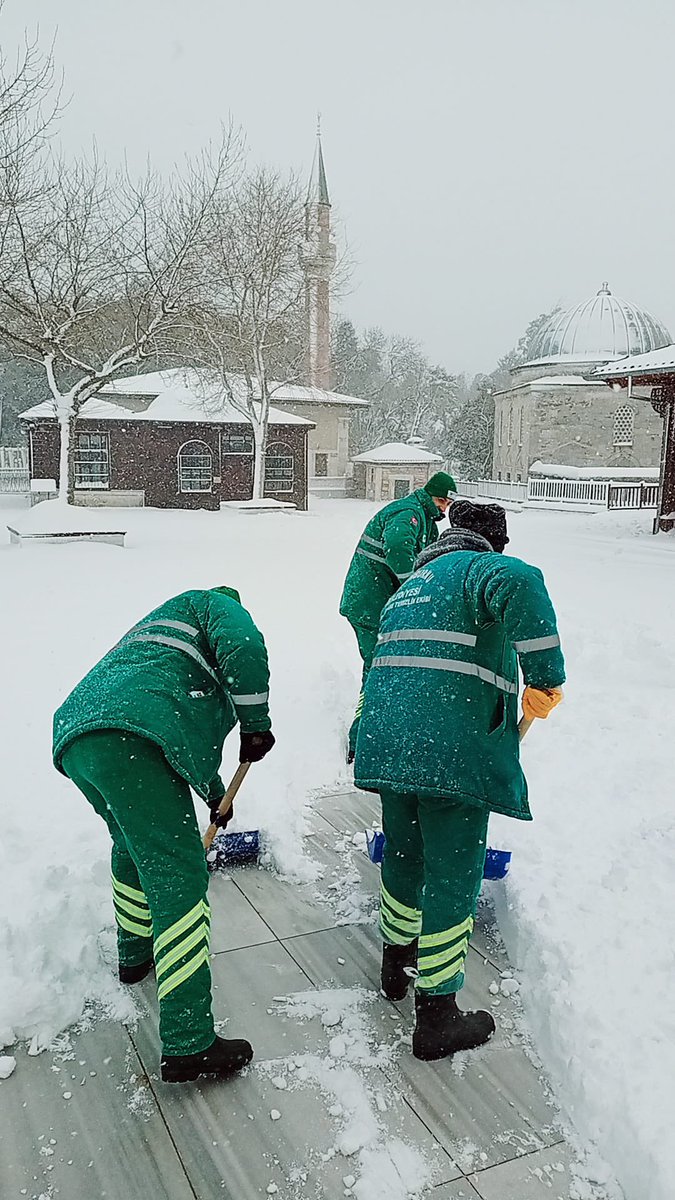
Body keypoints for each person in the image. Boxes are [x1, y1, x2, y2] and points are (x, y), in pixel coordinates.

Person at [353, 501, 565, 1061]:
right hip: (449, 751)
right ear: (490, 542)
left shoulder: (410, 587)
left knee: (404, 854)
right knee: (453, 873)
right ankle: (438, 1015)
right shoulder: (479, 570)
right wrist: (545, 677)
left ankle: (396, 960)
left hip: (390, 741)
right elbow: (522, 581)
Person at [52, 586, 275, 1084]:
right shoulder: (215, 606)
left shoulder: (165, 654)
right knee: (180, 879)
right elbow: (244, 642)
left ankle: (135, 954)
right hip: (132, 734)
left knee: (130, 846)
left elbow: (183, 736)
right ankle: (189, 1040)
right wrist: (256, 722)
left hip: (81, 733)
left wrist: (215, 791)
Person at [340, 471, 457, 761]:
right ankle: (362, 739)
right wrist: (415, 589)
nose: (443, 507)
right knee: (378, 666)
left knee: (387, 665)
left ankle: (380, 728)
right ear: (429, 494)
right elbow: (398, 549)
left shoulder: (424, 518)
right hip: (368, 604)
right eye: (441, 500)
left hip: (379, 604)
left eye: (447, 504)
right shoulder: (409, 513)